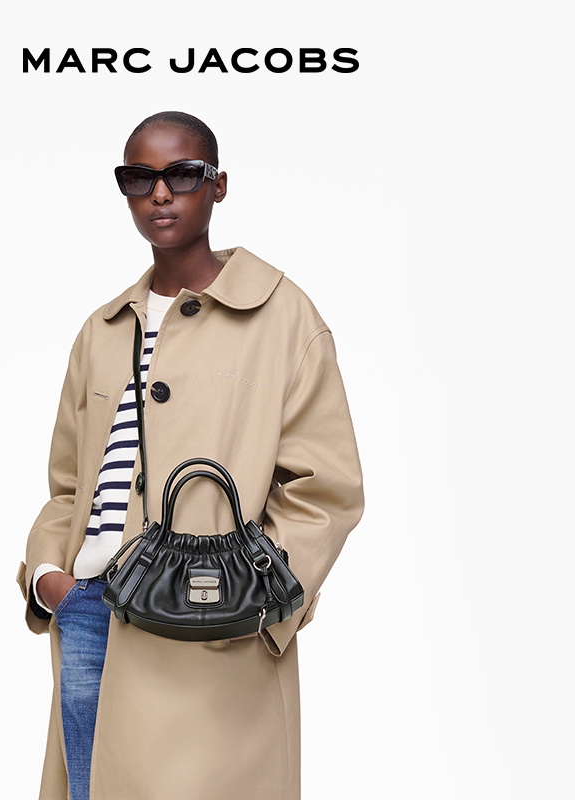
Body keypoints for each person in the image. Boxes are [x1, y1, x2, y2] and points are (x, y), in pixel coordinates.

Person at [18, 111, 364, 800]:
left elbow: (325, 490)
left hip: (210, 632)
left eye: (181, 175)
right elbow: (69, 484)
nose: (160, 194)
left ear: (218, 185)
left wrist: (255, 601)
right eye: (138, 178)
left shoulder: (282, 316)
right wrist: (49, 575)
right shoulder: (101, 330)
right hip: (88, 614)